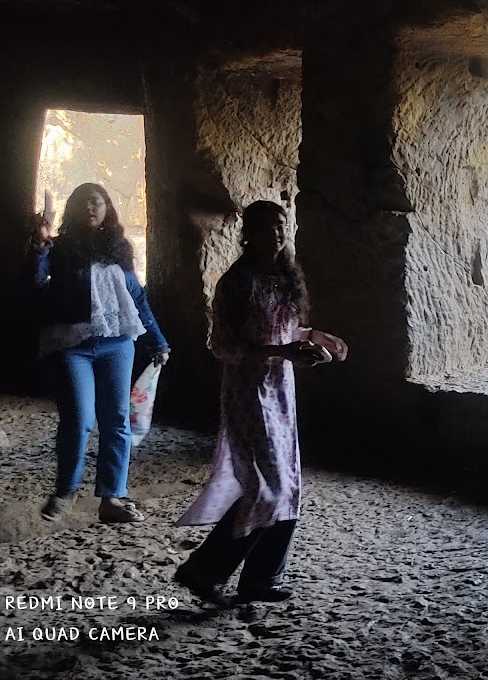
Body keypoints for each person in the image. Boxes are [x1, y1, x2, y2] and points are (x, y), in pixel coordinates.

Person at [173, 200, 346, 607]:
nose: (277, 235)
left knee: (290, 485)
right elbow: (223, 345)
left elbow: (286, 330)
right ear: (247, 234)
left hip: (280, 391)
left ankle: (261, 579)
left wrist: (316, 337)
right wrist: (281, 352)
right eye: (267, 228)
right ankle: (205, 568)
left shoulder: (284, 278)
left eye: (281, 227)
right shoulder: (237, 283)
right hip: (247, 391)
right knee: (267, 488)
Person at [30, 183, 170, 524]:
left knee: (116, 420)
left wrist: (158, 340)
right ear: (74, 209)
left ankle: (112, 497)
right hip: (71, 343)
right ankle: (65, 491)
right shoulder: (59, 249)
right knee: (79, 419)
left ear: (108, 208)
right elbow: (33, 281)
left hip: (117, 343)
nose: (91, 208)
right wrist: (38, 245)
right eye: (84, 203)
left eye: (98, 202)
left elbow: (136, 297)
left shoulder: (119, 248)